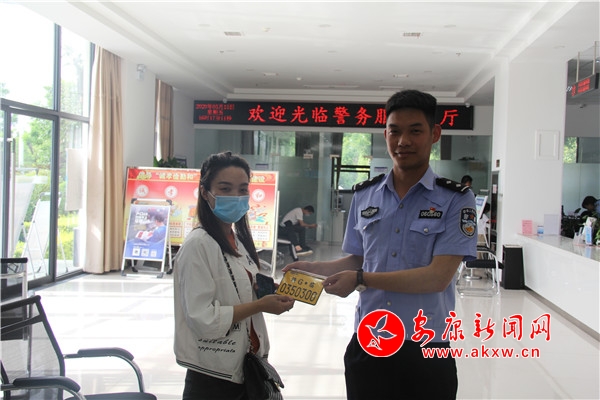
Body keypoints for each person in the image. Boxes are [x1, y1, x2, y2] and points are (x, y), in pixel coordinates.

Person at [284, 90, 477, 399]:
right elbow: (359, 259)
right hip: (370, 341)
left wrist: (362, 279)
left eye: (415, 131)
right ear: (385, 134)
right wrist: (314, 267)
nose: (403, 141)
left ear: (435, 134)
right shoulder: (365, 195)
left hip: (425, 346)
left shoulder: (455, 199)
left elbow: (437, 277)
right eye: (394, 131)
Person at [173, 151, 295, 400]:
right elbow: (203, 319)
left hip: (243, 368)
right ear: (205, 192)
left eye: (242, 190)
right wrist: (260, 305)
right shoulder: (198, 244)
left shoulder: (236, 240)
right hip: (213, 378)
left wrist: (267, 291)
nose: (236, 197)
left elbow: (238, 287)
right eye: (225, 188)